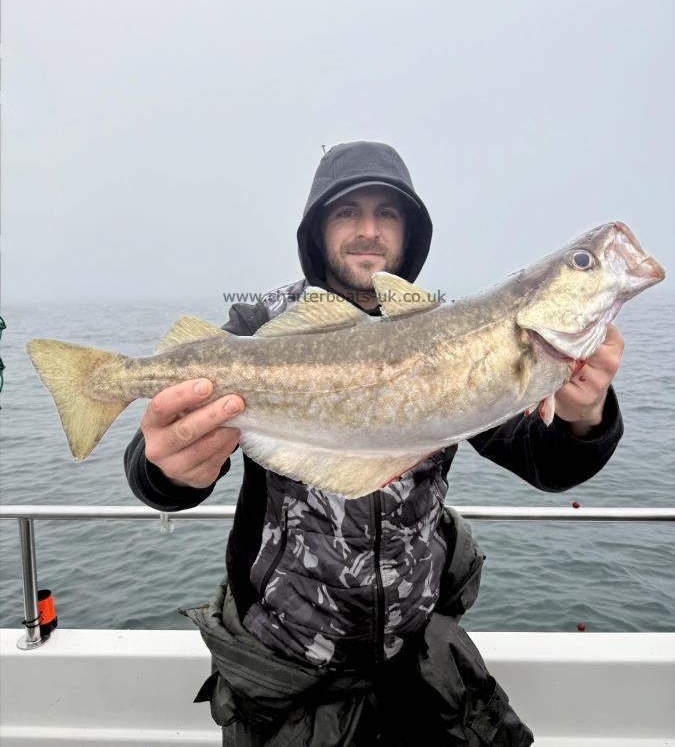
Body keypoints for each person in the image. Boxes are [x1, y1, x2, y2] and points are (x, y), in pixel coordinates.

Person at [125, 141, 624, 746]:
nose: (368, 230)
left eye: (388, 213)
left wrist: (585, 414)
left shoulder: (453, 333)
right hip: (285, 666)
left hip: (416, 658)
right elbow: (159, 459)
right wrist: (167, 470)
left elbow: (544, 462)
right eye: (347, 212)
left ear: (410, 233)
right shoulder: (258, 329)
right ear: (316, 229)